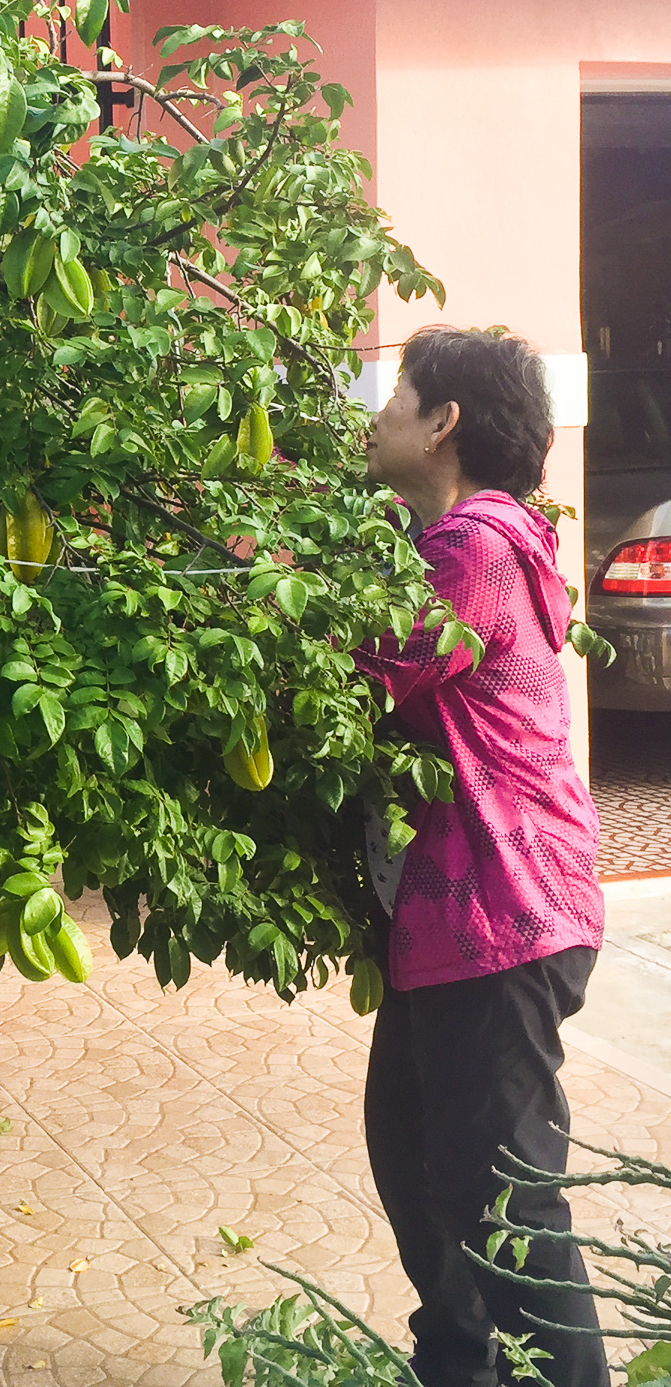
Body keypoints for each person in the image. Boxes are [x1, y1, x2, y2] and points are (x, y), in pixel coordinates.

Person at [356, 325, 607, 1387]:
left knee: (503, 1199)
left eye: (393, 398)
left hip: (499, 916)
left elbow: (347, 668)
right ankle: (457, 1369)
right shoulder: (465, 541)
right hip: (459, 920)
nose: (374, 420)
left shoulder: (467, 548)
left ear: (441, 424)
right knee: (420, 1164)